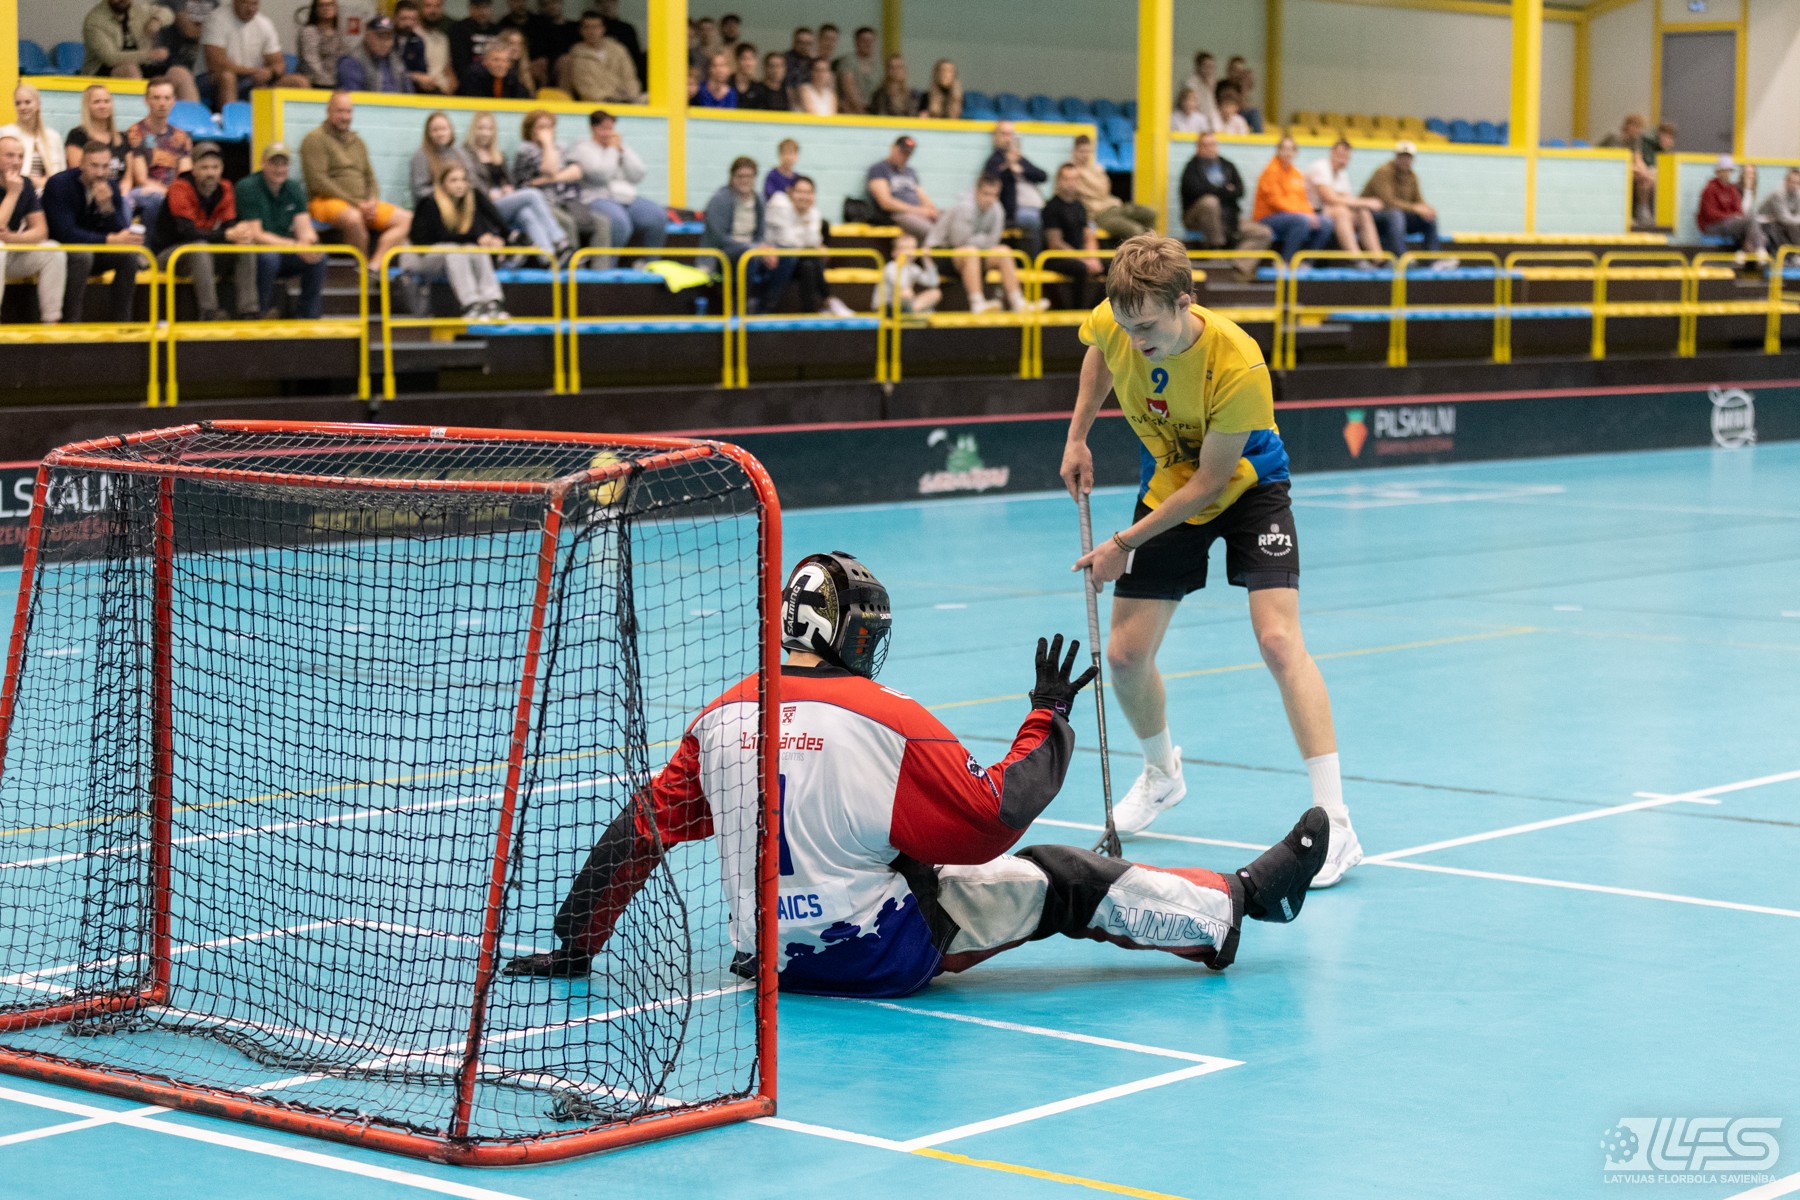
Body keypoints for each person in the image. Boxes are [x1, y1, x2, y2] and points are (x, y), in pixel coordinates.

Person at [504, 552, 1332, 993]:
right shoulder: (887, 720)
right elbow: (991, 818)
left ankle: (1230, 906)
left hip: (771, 960)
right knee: (1063, 878)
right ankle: (1237, 906)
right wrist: (1048, 717)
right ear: (854, 634)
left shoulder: (719, 715)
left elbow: (636, 835)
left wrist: (576, 945)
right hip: (875, 954)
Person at [1060, 234, 1363, 885]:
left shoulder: (1237, 362)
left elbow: (1210, 483)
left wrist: (1123, 543)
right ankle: (1162, 774)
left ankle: (1336, 822)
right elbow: (1100, 353)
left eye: (1147, 327)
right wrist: (1078, 436)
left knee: (1279, 641)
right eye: (1126, 325)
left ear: (1184, 303)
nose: (1135, 338)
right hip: (1169, 481)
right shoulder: (1119, 322)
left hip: (1247, 485)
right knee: (1125, 656)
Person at [301, 91, 412, 276]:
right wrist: (355, 203)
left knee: (407, 219)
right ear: (328, 111)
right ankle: (361, 268)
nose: (345, 116)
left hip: (362, 203)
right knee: (353, 218)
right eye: (340, 111)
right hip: (325, 202)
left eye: (349, 111)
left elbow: (370, 177)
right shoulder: (314, 139)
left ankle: (373, 267)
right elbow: (318, 182)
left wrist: (372, 200)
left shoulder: (358, 141)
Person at [149, 140, 258, 320]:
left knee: (244, 247)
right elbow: (187, 233)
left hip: (205, 252)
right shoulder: (179, 188)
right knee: (199, 247)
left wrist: (240, 234)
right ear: (194, 169)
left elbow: (229, 226)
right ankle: (209, 312)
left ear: (221, 168)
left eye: (215, 168)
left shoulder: (225, 188)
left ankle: (249, 311)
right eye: (204, 168)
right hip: (169, 254)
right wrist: (228, 235)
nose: (210, 173)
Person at [42, 140, 143, 322]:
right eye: (94, 166)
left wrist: (107, 208)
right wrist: (108, 240)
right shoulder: (59, 185)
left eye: (105, 167)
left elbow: (120, 231)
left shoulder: (111, 186)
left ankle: (122, 323)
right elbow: (65, 233)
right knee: (83, 255)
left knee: (129, 256)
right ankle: (71, 323)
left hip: (94, 249)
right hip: (61, 253)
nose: (100, 173)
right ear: (81, 164)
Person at [408, 160, 511, 320]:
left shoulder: (470, 200)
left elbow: (496, 223)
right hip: (421, 256)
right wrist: (477, 237)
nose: (460, 185)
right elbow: (431, 239)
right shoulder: (429, 203)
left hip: (453, 254)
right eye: (453, 180)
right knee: (455, 250)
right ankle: (471, 304)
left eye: (463, 180)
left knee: (474, 249)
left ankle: (492, 301)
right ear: (442, 183)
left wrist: (493, 239)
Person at [927, 173, 1043, 315]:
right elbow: (959, 242)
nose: (990, 199)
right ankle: (977, 303)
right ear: (977, 191)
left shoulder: (998, 209)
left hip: (973, 254)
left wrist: (978, 240)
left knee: (1004, 251)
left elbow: (993, 242)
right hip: (940, 252)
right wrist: (983, 240)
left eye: (995, 195)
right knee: (970, 252)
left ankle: (1017, 302)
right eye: (986, 194)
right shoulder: (964, 207)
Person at [234, 141, 326, 319]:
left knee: (319, 257)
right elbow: (257, 235)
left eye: (284, 164)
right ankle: (261, 312)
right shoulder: (248, 186)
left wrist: (310, 244)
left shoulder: (293, 188)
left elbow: (305, 229)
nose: (279, 169)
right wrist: (295, 245)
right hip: (253, 253)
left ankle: (308, 316)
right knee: (269, 257)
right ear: (263, 162)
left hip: (283, 251)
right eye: (274, 163)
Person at [463, 109, 568, 263]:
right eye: (481, 128)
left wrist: (508, 188)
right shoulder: (465, 154)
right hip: (484, 207)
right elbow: (471, 185)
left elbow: (509, 181)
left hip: (503, 203)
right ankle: (559, 239)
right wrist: (490, 193)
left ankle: (548, 258)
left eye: (489, 129)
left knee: (526, 214)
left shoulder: (498, 155)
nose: (485, 133)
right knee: (532, 194)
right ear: (473, 130)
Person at [566, 109, 666, 265]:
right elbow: (601, 175)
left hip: (625, 198)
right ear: (593, 128)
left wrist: (623, 152)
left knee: (656, 215)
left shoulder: (619, 148)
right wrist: (612, 150)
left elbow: (639, 174)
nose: (608, 133)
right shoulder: (583, 148)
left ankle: (650, 264)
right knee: (619, 222)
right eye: (603, 129)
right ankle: (608, 266)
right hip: (596, 198)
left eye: (610, 128)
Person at [1180, 130, 1272, 279]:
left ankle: (1238, 267)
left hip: (1230, 218)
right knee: (1210, 202)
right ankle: (1217, 248)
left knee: (1263, 233)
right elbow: (1195, 191)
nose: (1210, 148)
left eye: (1212, 144)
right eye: (1205, 145)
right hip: (1197, 218)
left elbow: (1240, 191)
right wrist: (1225, 190)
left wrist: (1215, 191)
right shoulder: (1191, 168)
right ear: (1198, 147)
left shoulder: (1227, 165)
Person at [513, 108, 606, 250]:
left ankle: (599, 265)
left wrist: (548, 180)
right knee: (567, 223)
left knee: (602, 223)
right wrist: (547, 144)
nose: (547, 131)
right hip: (544, 203)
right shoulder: (526, 150)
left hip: (568, 200)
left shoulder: (561, 147)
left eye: (550, 127)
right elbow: (549, 169)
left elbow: (576, 172)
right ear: (530, 130)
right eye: (541, 127)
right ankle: (571, 261)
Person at [0, 135, 68, 325]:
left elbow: (41, 231)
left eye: (21, 156)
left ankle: (51, 321)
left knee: (54, 251)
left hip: (8, 252)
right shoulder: (17, 187)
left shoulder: (26, 184)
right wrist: (12, 194)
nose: (16, 162)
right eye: (9, 155)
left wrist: (12, 238)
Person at [763, 175, 849, 316]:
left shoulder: (814, 213)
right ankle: (828, 300)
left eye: (808, 192)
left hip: (799, 261)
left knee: (808, 264)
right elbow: (788, 242)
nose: (804, 197)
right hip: (775, 260)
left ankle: (812, 311)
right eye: (800, 192)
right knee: (809, 256)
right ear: (791, 193)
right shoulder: (780, 206)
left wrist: (813, 245)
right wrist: (811, 245)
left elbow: (813, 241)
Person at [83, 0, 200, 99]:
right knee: (129, 70)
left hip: (142, 66)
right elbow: (110, 58)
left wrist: (156, 20)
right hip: (102, 73)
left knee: (180, 73)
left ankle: (193, 118)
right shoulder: (94, 21)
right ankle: (141, 116)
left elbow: (168, 14)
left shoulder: (139, 10)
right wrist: (149, 55)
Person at [202, 0, 307, 108]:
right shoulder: (216, 19)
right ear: (235, 2)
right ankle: (231, 117)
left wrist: (269, 72)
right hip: (217, 81)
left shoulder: (264, 24)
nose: (250, 8)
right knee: (227, 77)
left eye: (254, 4)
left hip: (254, 81)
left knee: (299, 81)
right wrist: (253, 72)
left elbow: (279, 64)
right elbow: (216, 64)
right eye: (245, 3)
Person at [124, 77, 193, 235]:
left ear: (173, 101)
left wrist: (176, 194)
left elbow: (186, 176)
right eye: (156, 98)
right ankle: (148, 247)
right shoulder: (135, 133)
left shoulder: (181, 136)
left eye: (167, 98)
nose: (162, 103)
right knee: (155, 198)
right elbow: (141, 179)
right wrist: (169, 193)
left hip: (174, 192)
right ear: (146, 100)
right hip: (145, 192)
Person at [1361, 140, 1443, 258]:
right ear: (1396, 156)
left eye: (1408, 157)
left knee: (1428, 219)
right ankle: (1401, 258)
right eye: (1402, 156)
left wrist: (1426, 209)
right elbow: (1387, 202)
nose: (1405, 160)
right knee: (1395, 214)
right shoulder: (1383, 172)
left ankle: (1433, 259)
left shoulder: (1412, 176)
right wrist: (1415, 208)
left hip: (1399, 218)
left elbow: (1418, 200)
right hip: (1373, 217)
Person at [1304, 139, 1382, 262]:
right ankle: (1356, 259)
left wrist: (1361, 205)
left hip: (1330, 210)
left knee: (1363, 213)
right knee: (1341, 212)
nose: (1342, 160)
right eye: (1340, 155)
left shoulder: (1342, 174)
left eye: (1346, 157)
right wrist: (1366, 202)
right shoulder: (1320, 167)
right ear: (1332, 153)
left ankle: (1379, 259)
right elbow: (1329, 198)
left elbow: (1347, 199)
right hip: (1313, 211)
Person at [1251, 135, 1327, 259]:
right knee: (1301, 221)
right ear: (1278, 150)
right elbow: (1275, 201)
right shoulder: (1270, 171)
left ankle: (1307, 262)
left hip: (1290, 215)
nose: (1287, 152)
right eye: (1284, 149)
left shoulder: (1296, 174)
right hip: (1267, 216)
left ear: (1295, 152)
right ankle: (1286, 262)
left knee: (1325, 223)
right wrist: (1303, 215)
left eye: (1291, 149)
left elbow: (1302, 199)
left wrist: (1311, 214)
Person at [1069, 133, 1157, 240]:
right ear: (1074, 151)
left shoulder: (1096, 168)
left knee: (1150, 213)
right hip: (1099, 215)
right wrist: (1095, 179)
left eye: (1088, 151)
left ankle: (1152, 246)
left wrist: (1093, 185)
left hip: (1114, 206)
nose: (1085, 155)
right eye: (1082, 151)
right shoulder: (1071, 171)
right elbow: (1101, 191)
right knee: (1136, 230)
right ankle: (1140, 249)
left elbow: (1105, 189)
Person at [1040, 161, 1101, 310]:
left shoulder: (1080, 206)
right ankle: (1077, 311)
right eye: (1067, 179)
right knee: (1080, 268)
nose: (1071, 183)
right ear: (1059, 181)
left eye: (1074, 179)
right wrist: (1082, 259)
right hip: (1055, 257)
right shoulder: (1052, 207)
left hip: (1077, 255)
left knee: (1110, 266)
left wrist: (1092, 258)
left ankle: (1096, 308)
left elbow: (1088, 236)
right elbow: (1055, 243)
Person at [701, 155, 773, 282]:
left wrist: (765, 248)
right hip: (723, 254)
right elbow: (719, 239)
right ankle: (742, 295)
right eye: (740, 176)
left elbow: (760, 235)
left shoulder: (760, 200)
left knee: (785, 258)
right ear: (732, 178)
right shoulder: (720, 199)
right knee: (749, 256)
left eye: (749, 176)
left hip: (752, 250)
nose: (744, 180)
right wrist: (752, 247)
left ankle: (772, 295)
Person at [984, 119, 1048, 259]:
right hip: (1012, 211)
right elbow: (989, 182)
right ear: (995, 137)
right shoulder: (994, 160)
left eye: (1010, 135)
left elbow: (1042, 176)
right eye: (1004, 134)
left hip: (1035, 206)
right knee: (1032, 219)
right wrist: (1007, 166)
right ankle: (1034, 262)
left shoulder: (1020, 159)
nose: (1008, 139)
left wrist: (1021, 170)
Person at [866, 135, 938, 241]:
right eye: (902, 152)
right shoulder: (879, 169)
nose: (905, 156)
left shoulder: (910, 172)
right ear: (893, 148)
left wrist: (931, 210)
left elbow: (923, 197)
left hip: (918, 212)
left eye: (908, 154)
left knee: (949, 217)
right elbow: (886, 202)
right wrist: (919, 211)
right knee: (933, 232)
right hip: (898, 215)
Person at [561, 8, 641, 102]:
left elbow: (630, 78)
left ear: (603, 29)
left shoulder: (618, 49)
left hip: (626, 100)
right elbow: (585, 89)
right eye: (587, 27)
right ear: (581, 30)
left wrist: (632, 97)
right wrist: (610, 99)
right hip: (598, 103)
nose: (592, 31)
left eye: (595, 27)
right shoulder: (576, 55)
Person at [1698, 155, 1767, 263]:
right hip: (1712, 226)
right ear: (1718, 172)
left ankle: (1745, 252)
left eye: (1729, 171)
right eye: (1724, 171)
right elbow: (1710, 214)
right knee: (1750, 221)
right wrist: (1730, 216)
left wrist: (1733, 217)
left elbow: (1739, 210)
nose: (1727, 174)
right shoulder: (1710, 189)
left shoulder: (1732, 189)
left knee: (1752, 223)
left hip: (1729, 223)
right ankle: (1758, 249)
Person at [0, 85, 66, 191]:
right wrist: (37, 182)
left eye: (27, 102)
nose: (22, 107)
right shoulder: (5, 133)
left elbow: (62, 173)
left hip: (50, 192)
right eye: (18, 103)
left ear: (38, 104)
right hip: (18, 191)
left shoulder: (53, 137)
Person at [63, 85, 129, 184]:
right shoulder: (77, 135)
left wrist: (121, 190)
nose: (103, 106)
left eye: (106, 101)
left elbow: (128, 177)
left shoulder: (122, 137)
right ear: (87, 106)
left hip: (121, 191)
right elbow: (77, 171)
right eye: (97, 102)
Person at [149, 2, 209, 102]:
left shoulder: (214, 2)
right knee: (180, 74)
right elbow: (189, 31)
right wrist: (212, 27)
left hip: (200, 71)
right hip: (166, 66)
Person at [336, 16, 413, 94]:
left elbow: (409, 91)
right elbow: (353, 96)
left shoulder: (395, 59)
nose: (385, 43)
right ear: (367, 36)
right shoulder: (351, 62)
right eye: (380, 37)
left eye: (389, 37)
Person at [873, 231, 940, 315]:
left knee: (935, 293)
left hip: (904, 305)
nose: (909, 252)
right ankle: (914, 315)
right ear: (894, 252)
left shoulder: (913, 268)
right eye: (904, 248)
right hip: (885, 306)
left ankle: (912, 314)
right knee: (906, 293)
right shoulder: (891, 267)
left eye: (912, 248)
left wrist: (927, 260)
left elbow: (933, 282)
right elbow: (901, 285)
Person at [399, 0, 456, 94]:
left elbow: (447, 69)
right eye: (428, 6)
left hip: (445, 92)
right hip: (423, 91)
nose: (433, 11)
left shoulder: (443, 38)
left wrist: (452, 86)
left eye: (437, 6)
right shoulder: (412, 37)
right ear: (419, 9)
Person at [296, 0, 350, 89]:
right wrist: (329, 82)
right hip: (312, 83)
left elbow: (343, 59)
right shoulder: (309, 31)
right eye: (322, 5)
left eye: (330, 4)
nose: (326, 8)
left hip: (335, 83)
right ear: (315, 9)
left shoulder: (340, 33)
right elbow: (311, 61)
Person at [498, 0, 548, 86]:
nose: (516, 48)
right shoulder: (503, 24)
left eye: (519, 44)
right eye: (512, 43)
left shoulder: (540, 22)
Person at [449, 0, 500, 79]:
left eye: (485, 7)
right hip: (468, 78)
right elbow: (459, 62)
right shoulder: (459, 29)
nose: (482, 12)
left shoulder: (497, 30)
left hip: (494, 76)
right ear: (470, 9)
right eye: (478, 8)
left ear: (491, 8)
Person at [837, 26, 881, 116]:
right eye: (864, 41)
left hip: (873, 112)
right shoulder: (848, 61)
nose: (868, 44)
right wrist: (860, 110)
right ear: (857, 42)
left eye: (871, 41)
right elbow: (848, 87)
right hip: (852, 112)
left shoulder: (878, 65)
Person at [597, 0, 644, 85]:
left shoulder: (627, 29)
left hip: (625, 75)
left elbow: (636, 59)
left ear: (616, 3)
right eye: (604, 1)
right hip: (600, 76)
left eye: (611, 1)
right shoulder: (591, 30)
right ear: (598, 4)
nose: (607, 5)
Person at [1758, 167, 1800, 249]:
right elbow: (1785, 218)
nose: (1795, 186)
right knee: (1793, 227)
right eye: (1793, 182)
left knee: (1794, 226)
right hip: (1765, 223)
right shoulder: (1778, 194)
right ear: (1786, 181)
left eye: (1798, 183)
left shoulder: (1797, 193)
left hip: (1779, 222)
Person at [1180, 51, 1222, 130]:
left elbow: (1212, 106)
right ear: (1198, 67)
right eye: (1206, 66)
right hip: (1195, 121)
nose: (1209, 70)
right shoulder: (1190, 83)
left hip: (1211, 119)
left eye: (1211, 67)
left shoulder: (1211, 82)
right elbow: (1191, 105)